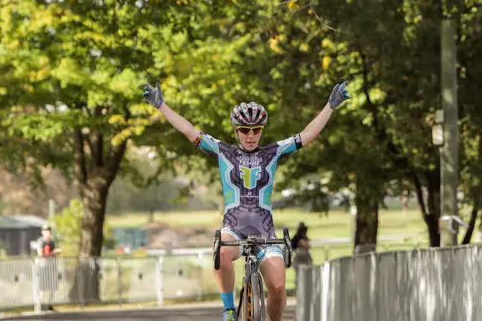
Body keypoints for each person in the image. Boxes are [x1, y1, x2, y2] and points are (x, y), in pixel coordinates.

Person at [143, 80, 350, 321]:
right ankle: (229, 310)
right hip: (234, 228)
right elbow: (189, 130)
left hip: (264, 232)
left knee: (279, 288)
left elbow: (307, 135)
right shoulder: (223, 151)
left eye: (256, 130)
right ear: (236, 131)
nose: (250, 136)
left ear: (261, 130)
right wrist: (161, 106)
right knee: (221, 249)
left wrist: (330, 106)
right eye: (244, 130)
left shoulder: (273, 152)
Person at [36, 224, 61, 311]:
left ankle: (49, 305)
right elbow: (40, 254)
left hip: (51, 267)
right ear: (42, 232)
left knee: (51, 287)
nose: (48, 233)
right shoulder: (40, 241)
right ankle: (40, 305)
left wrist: (55, 253)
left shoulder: (52, 241)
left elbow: (55, 253)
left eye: (49, 231)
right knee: (42, 287)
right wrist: (53, 253)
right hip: (43, 266)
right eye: (46, 231)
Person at [290, 222, 313, 289]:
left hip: (301, 258)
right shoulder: (298, 237)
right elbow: (306, 245)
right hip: (301, 258)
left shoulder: (298, 237)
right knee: (300, 274)